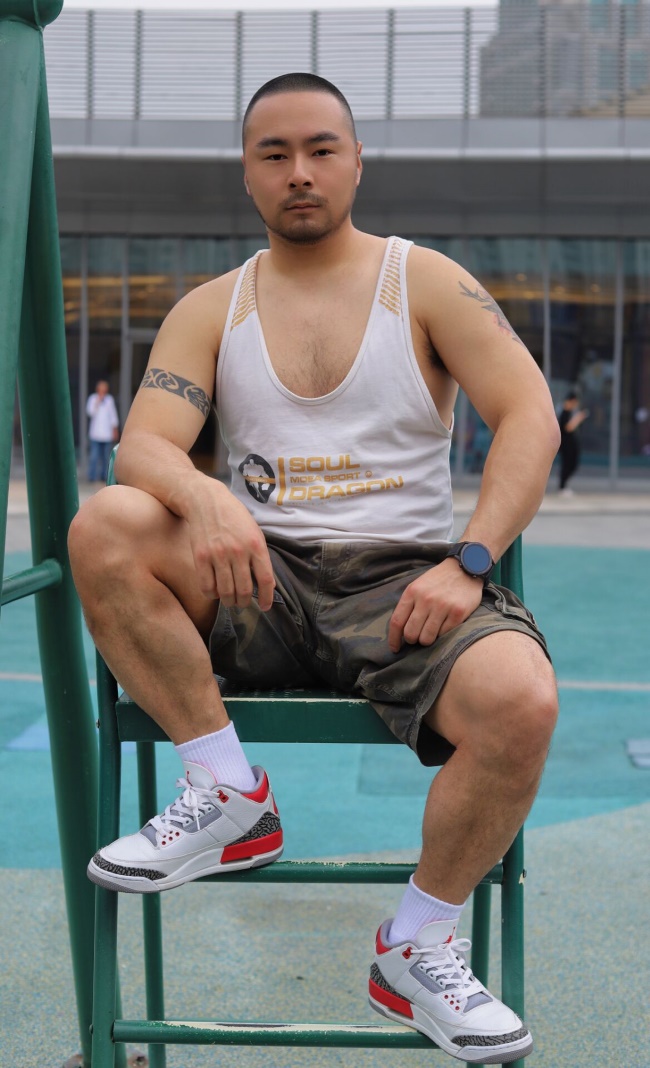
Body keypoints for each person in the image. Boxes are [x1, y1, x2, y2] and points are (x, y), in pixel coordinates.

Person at [68, 73, 560, 1064]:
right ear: (247, 174)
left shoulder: (423, 281)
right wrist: (206, 497)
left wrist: (469, 561)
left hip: (406, 585)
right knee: (107, 525)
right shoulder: (213, 307)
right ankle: (227, 792)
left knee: (521, 698)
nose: (300, 171)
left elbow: (528, 415)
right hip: (261, 581)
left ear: (356, 162)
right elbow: (145, 446)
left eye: (321, 149)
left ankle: (417, 944)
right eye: (275, 153)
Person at [86, 379, 119, 482]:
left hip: (107, 434)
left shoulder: (109, 399)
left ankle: (104, 476)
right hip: (95, 434)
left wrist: (115, 429)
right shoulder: (93, 398)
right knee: (94, 456)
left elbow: (113, 415)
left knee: (106, 457)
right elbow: (90, 412)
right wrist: (98, 400)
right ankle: (92, 476)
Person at [557, 391, 589, 495]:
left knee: (572, 464)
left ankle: (564, 485)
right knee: (567, 464)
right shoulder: (564, 411)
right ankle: (562, 487)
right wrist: (578, 418)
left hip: (571, 443)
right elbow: (568, 427)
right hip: (566, 444)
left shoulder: (569, 411)